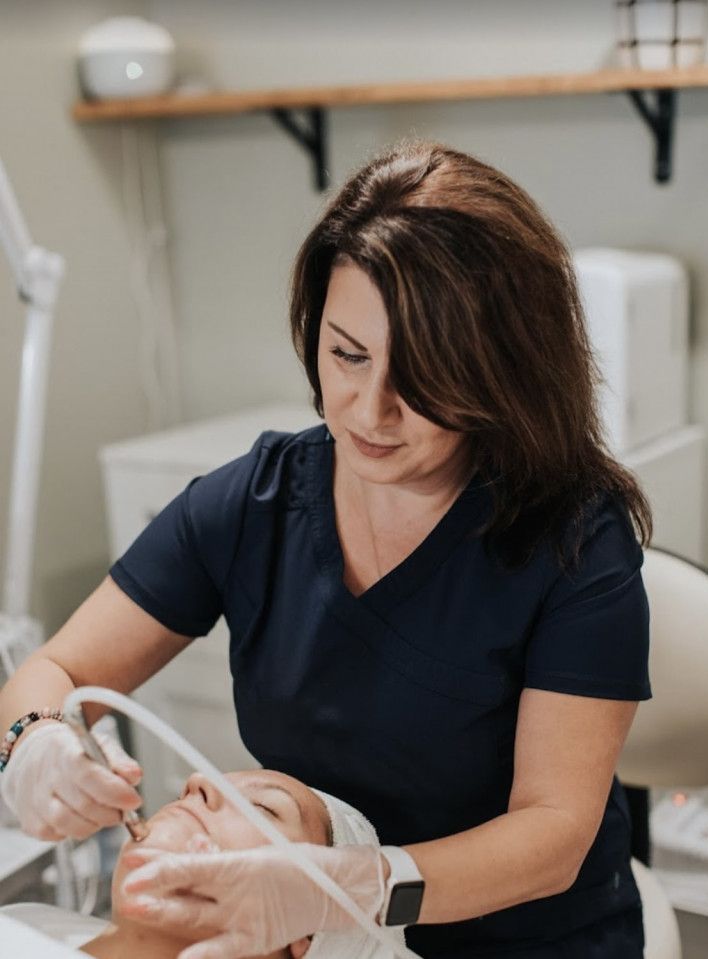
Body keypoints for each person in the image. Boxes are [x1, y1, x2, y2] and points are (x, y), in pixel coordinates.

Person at [0, 138, 653, 958]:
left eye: (424, 378)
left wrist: (353, 886)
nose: (370, 409)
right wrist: (35, 742)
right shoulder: (256, 502)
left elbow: (554, 833)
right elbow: (54, 672)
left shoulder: (573, 541)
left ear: (502, 372)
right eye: (347, 353)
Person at [80, 767, 402, 959]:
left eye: (263, 808)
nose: (196, 781)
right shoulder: (33, 922)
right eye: (182, 797)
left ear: (302, 931)